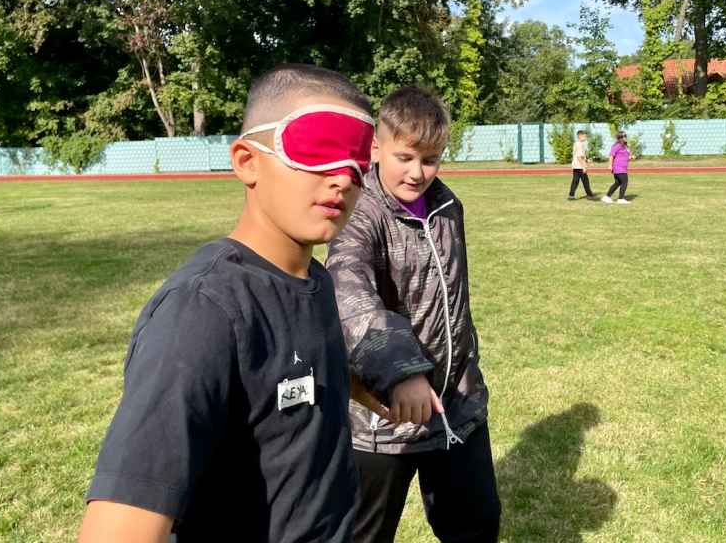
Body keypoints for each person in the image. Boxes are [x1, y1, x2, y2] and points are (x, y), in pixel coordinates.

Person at [78, 64, 381, 543]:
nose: (342, 178)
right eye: (316, 148)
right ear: (246, 161)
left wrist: (369, 387)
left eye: (358, 161)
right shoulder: (201, 313)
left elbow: (292, 373)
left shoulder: (316, 281)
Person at [326, 85, 501, 543]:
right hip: (384, 418)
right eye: (404, 157)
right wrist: (401, 371)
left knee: (477, 527)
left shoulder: (448, 206)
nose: (417, 172)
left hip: (456, 406)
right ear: (376, 148)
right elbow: (349, 293)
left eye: (430, 159)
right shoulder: (359, 213)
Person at [602, 130, 633, 205]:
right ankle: (621, 199)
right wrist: (610, 165)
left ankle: (607, 197)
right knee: (624, 182)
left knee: (617, 183)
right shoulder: (617, 146)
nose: (625, 137)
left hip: (623, 168)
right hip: (618, 168)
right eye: (623, 136)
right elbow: (611, 155)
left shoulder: (624, 146)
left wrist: (630, 157)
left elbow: (625, 157)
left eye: (625, 136)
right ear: (619, 138)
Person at [568, 129, 596, 200]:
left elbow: (580, 156)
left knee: (576, 181)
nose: (586, 137)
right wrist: (584, 166)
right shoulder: (579, 145)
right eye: (584, 136)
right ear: (580, 136)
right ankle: (589, 195)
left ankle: (571, 195)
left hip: (576, 165)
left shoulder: (577, 143)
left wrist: (587, 160)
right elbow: (579, 157)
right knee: (585, 181)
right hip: (579, 166)